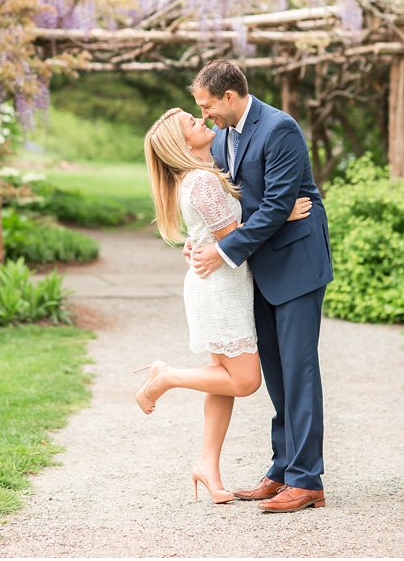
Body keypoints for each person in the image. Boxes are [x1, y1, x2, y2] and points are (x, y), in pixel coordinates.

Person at [134, 106, 312, 504]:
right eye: (193, 124)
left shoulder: (201, 175)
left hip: (218, 282)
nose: (203, 122)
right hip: (220, 289)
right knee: (245, 380)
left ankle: (207, 465)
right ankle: (167, 376)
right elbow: (236, 236)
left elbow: (219, 234)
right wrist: (283, 215)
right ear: (184, 144)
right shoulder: (200, 181)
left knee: (221, 378)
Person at [186, 60, 333, 513]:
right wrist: (201, 241)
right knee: (274, 369)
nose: (206, 116)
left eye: (208, 107)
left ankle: (307, 481)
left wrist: (223, 252)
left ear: (229, 96)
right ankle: (282, 468)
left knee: (299, 370)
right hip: (260, 268)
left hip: (296, 264)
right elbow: (239, 203)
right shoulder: (227, 135)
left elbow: (277, 204)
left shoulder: (279, 128)